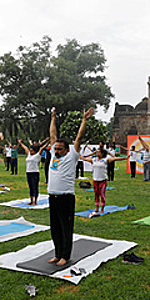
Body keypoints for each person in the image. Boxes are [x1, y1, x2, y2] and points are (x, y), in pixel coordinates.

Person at [47, 106, 94, 267]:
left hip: (66, 198)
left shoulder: (72, 156)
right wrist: (53, 117)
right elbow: (53, 134)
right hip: (52, 197)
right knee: (55, 228)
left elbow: (79, 138)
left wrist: (84, 120)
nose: (57, 150)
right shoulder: (54, 154)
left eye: (60, 149)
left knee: (66, 228)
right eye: (56, 148)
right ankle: (57, 253)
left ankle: (65, 256)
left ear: (67, 150)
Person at [80, 148, 127, 216]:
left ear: (102, 153)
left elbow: (115, 159)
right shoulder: (94, 160)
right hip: (95, 179)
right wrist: (79, 156)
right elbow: (84, 159)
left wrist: (125, 157)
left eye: (98, 152)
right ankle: (96, 208)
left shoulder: (106, 160)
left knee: (102, 194)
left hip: (103, 180)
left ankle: (102, 208)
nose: (97, 153)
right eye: (97, 152)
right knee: (96, 194)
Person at [18, 138, 49, 205]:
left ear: (35, 151)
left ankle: (35, 201)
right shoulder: (29, 155)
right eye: (30, 150)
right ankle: (31, 200)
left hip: (35, 173)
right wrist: (20, 143)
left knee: (35, 187)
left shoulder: (37, 156)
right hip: (28, 173)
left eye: (32, 151)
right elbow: (25, 148)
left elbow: (42, 148)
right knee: (30, 187)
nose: (30, 152)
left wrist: (48, 142)